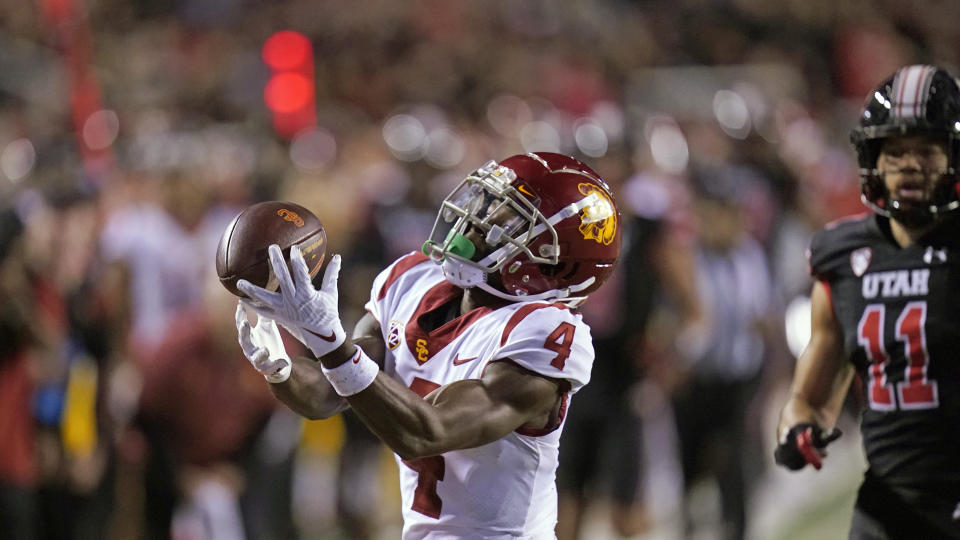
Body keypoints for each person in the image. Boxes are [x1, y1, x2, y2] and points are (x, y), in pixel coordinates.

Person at [236, 152, 622, 539]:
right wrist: (281, 367)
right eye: (485, 203)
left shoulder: (544, 332)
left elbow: (426, 432)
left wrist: (332, 344)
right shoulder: (413, 279)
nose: (474, 222)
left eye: (505, 221)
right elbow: (327, 393)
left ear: (553, 259)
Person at [775, 64, 960, 539]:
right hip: (887, 502)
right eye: (894, 152)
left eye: (926, 151)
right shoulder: (842, 256)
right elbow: (810, 399)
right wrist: (799, 431)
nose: (909, 166)